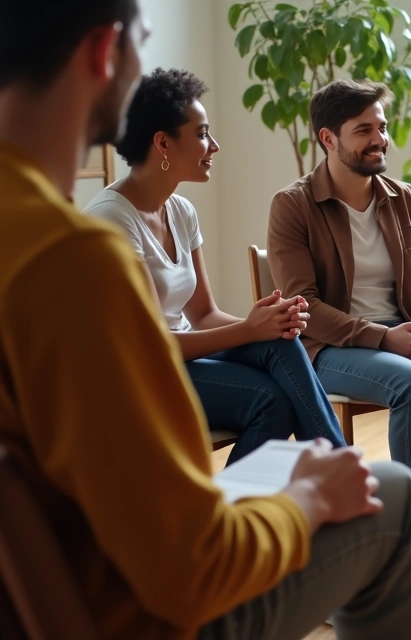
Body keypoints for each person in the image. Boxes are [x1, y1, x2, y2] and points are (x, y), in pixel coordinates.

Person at [0, 1, 411, 639]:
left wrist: (261, 324)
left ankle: (331, 460)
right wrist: (308, 501)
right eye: (142, 43)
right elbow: (190, 568)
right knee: (397, 497)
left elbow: (201, 314)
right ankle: (339, 469)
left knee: (278, 351)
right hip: (144, 614)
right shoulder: (76, 258)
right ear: (104, 52)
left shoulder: (35, 235)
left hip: (80, 578)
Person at [267, 79, 411, 562]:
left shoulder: (401, 198)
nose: (380, 139)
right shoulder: (293, 205)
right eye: (364, 130)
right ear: (328, 139)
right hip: (329, 348)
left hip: (401, 335)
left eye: (381, 126)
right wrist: (384, 339)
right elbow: (303, 304)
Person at [84, 68, 346, 464]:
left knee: (281, 343)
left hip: (181, 358)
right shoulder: (114, 221)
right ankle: (335, 478)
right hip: (139, 375)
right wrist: (247, 329)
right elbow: (153, 345)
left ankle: (336, 473)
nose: (215, 146)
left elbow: (203, 314)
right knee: (272, 402)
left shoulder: (181, 211)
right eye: (203, 133)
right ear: (163, 143)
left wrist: (266, 323)